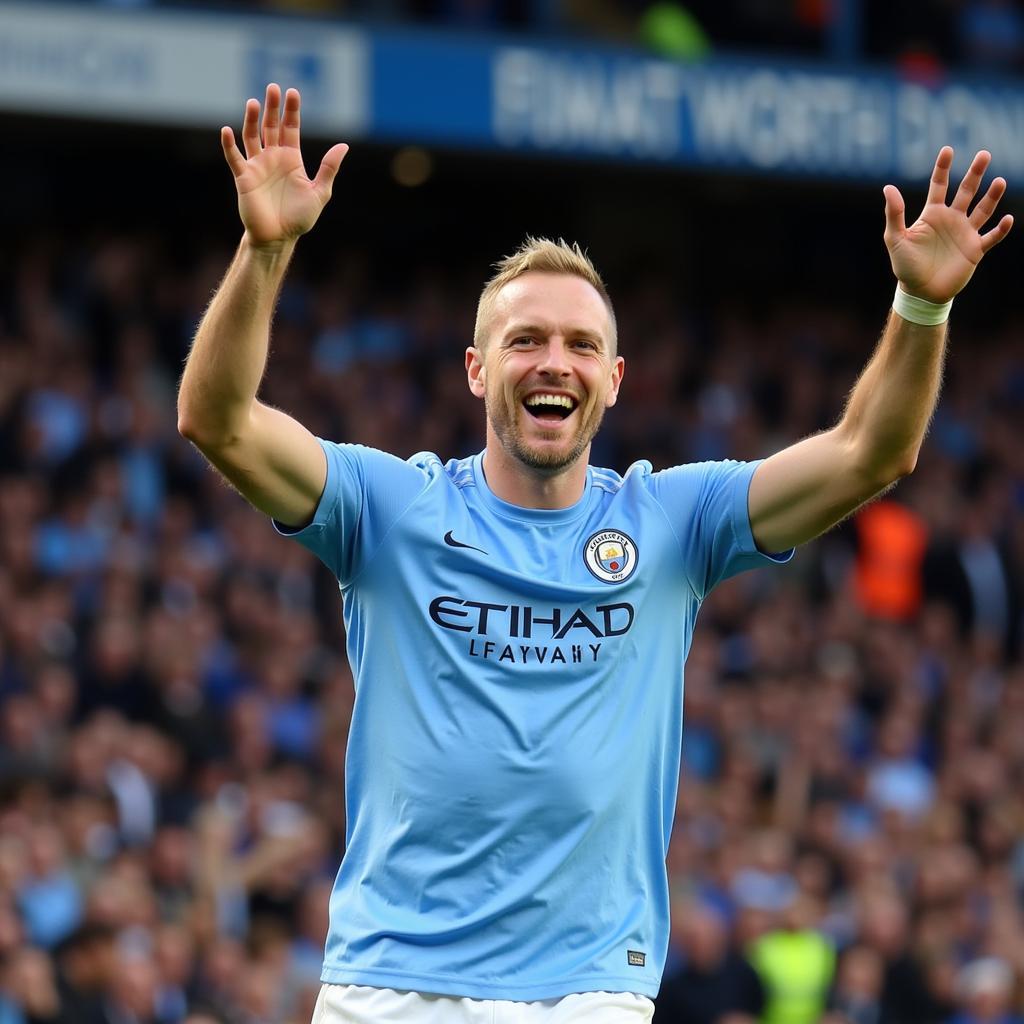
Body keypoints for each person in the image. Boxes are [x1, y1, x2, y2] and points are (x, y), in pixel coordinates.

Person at [176, 82, 1012, 1024]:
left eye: (581, 345)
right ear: (477, 368)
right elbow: (218, 420)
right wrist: (266, 248)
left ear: (613, 382)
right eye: (524, 338)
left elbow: (872, 452)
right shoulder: (390, 505)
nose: (552, 362)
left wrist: (921, 309)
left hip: (589, 992)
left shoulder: (673, 521)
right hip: (390, 984)